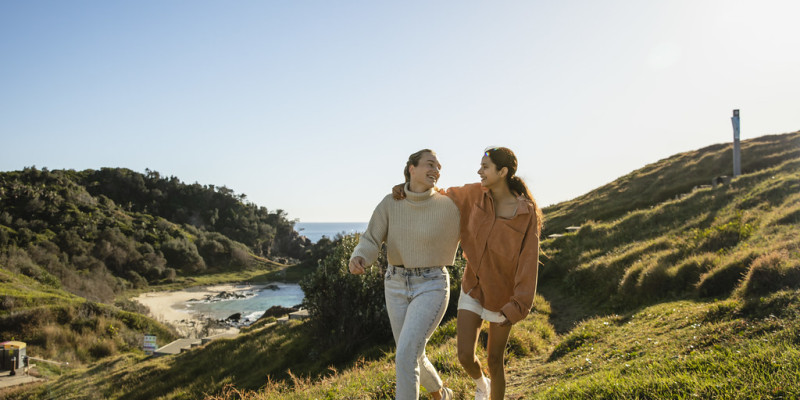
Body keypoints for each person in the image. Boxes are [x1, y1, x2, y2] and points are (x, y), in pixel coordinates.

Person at [394, 146, 542, 400]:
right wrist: (407, 188)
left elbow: (528, 263)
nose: (479, 171)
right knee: (464, 355)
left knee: (495, 361)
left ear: (502, 171)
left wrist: (517, 305)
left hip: (504, 298)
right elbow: (440, 195)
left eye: (485, 167)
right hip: (473, 286)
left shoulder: (525, 213)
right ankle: (481, 384)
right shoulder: (474, 194)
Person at [349, 149, 458, 400]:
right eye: (430, 164)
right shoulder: (391, 202)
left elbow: (478, 202)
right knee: (412, 352)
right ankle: (441, 394)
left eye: (439, 167)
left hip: (432, 283)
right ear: (412, 168)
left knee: (407, 353)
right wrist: (360, 257)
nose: (436, 170)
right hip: (395, 283)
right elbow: (371, 238)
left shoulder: (448, 203)